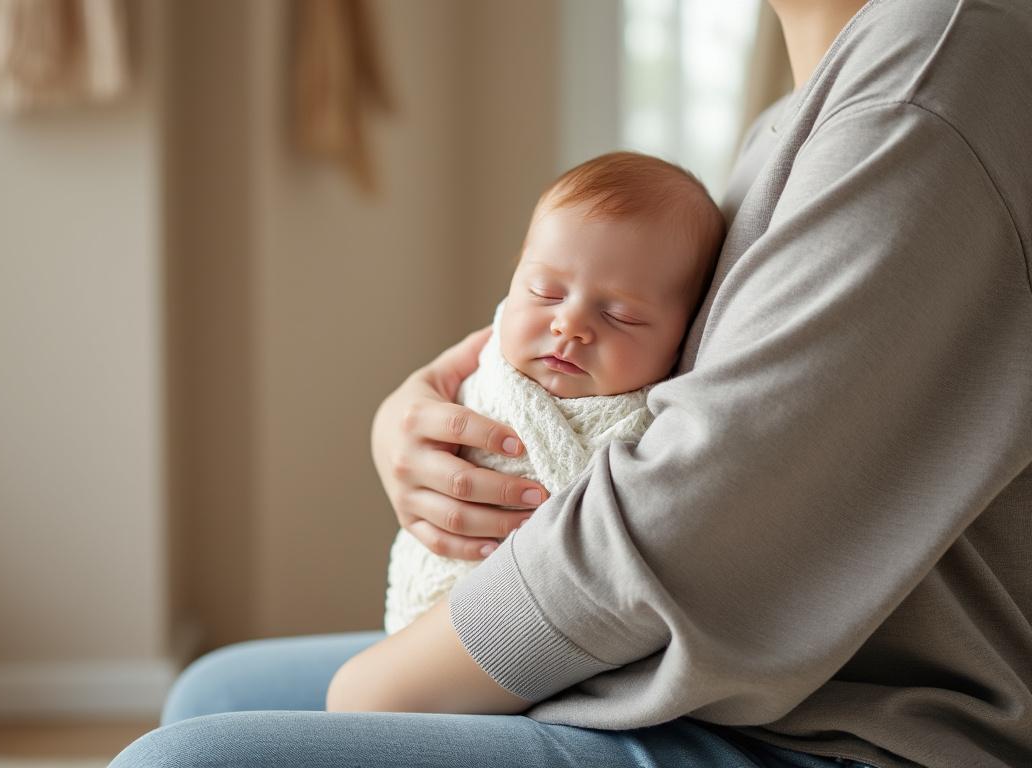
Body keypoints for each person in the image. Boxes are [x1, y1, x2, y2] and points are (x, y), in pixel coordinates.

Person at [111, 0, 1031, 765]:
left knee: (183, 760)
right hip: (747, 676)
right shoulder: (797, 119)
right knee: (210, 691)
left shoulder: (923, 87)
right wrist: (414, 418)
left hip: (852, 727)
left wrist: (377, 691)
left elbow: (702, 517)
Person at [386, 151, 724, 634]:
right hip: (427, 608)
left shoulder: (657, 430)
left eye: (621, 316)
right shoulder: (487, 357)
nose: (570, 325)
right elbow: (417, 415)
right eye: (545, 291)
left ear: (683, 338)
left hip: (539, 633)